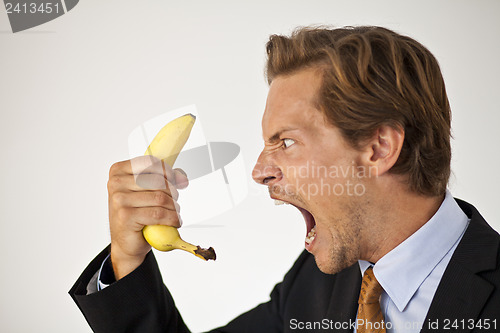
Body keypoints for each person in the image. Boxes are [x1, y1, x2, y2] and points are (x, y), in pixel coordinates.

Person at [70, 26, 500, 332]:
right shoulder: (316, 284)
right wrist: (128, 259)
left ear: (378, 148)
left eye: (286, 142)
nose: (259, 171)